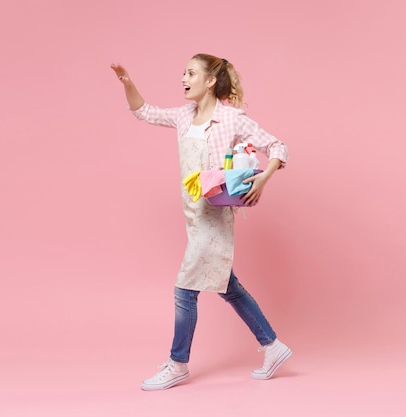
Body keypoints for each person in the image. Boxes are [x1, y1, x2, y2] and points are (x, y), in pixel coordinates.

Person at [111, 53, 291, 391]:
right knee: (228, 286)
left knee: (185, 289)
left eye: (190, 73)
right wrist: (128, 83)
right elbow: (144, 111)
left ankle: (178, 363)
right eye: (183, 73)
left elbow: (278, 146)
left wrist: (264, 178)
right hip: (193, 216)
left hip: (215, 216)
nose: (183, 78)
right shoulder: (184, 115)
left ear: (210, 81)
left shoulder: (233, 119)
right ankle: (273, 346)